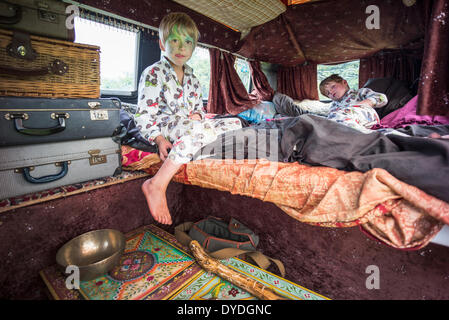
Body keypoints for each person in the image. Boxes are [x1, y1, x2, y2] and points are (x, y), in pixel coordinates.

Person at [135, 12, 242, 225]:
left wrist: (198, 115)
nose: (181, 47)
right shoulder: (153, 73)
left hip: (190, 125)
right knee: (198, 130)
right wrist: (158, 139)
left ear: (193, 47)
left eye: (187, 42)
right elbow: (144, 114)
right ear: (163, 44)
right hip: (166, 125)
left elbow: (200, 110)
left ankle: (192, 144)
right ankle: (156, 184)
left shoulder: (193, 78)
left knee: (235, 122)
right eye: (174, 40)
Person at [318, 74, 388, 133]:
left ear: (344, 83)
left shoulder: (359, 92)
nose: (331, 92)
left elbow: (381, 98)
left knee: (337, 115)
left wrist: (367, 102)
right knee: (325, 120)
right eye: (328, 93)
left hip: (365, 117)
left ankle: (367, 134)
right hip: (345, 122)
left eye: (333, 87)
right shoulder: (334, 105)